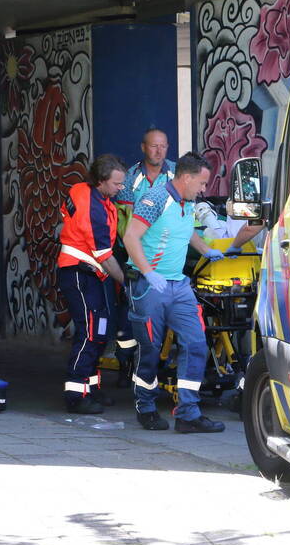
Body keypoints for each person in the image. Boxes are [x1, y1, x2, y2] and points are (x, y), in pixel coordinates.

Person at [123, 153, 226, 433]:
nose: (205, 189)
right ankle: (145, 406)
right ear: (187, 177)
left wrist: (207, 250)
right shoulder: (156, 199)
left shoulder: (188, 202)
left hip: (178, 286)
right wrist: (148, 272)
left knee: (195, 344)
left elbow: (188, 231)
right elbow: (130, 236)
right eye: (202, 183)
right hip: (149, 287)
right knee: (151, 350)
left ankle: (188, 413)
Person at [56, 154, 127, 414]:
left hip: (88, 274)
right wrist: (126, 282)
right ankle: (75, 395)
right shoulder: (94, 209)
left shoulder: (87, 193)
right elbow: (105, 257)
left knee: (100, 330)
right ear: (100, 182)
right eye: (117, 184)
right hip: (79, 273)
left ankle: (91, 388)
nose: (121, 188)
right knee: (90, 333)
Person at [110, 128, 177, 386]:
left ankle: (160, 358)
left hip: (167, 250)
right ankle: (126, 357)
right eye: (153, 146)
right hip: (136, 250)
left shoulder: (175, 174)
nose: (159, 151)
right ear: (143, 148)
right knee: (130, 304)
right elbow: (124, 221)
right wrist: (133, 252)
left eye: (163, 146)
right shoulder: (130, 179)